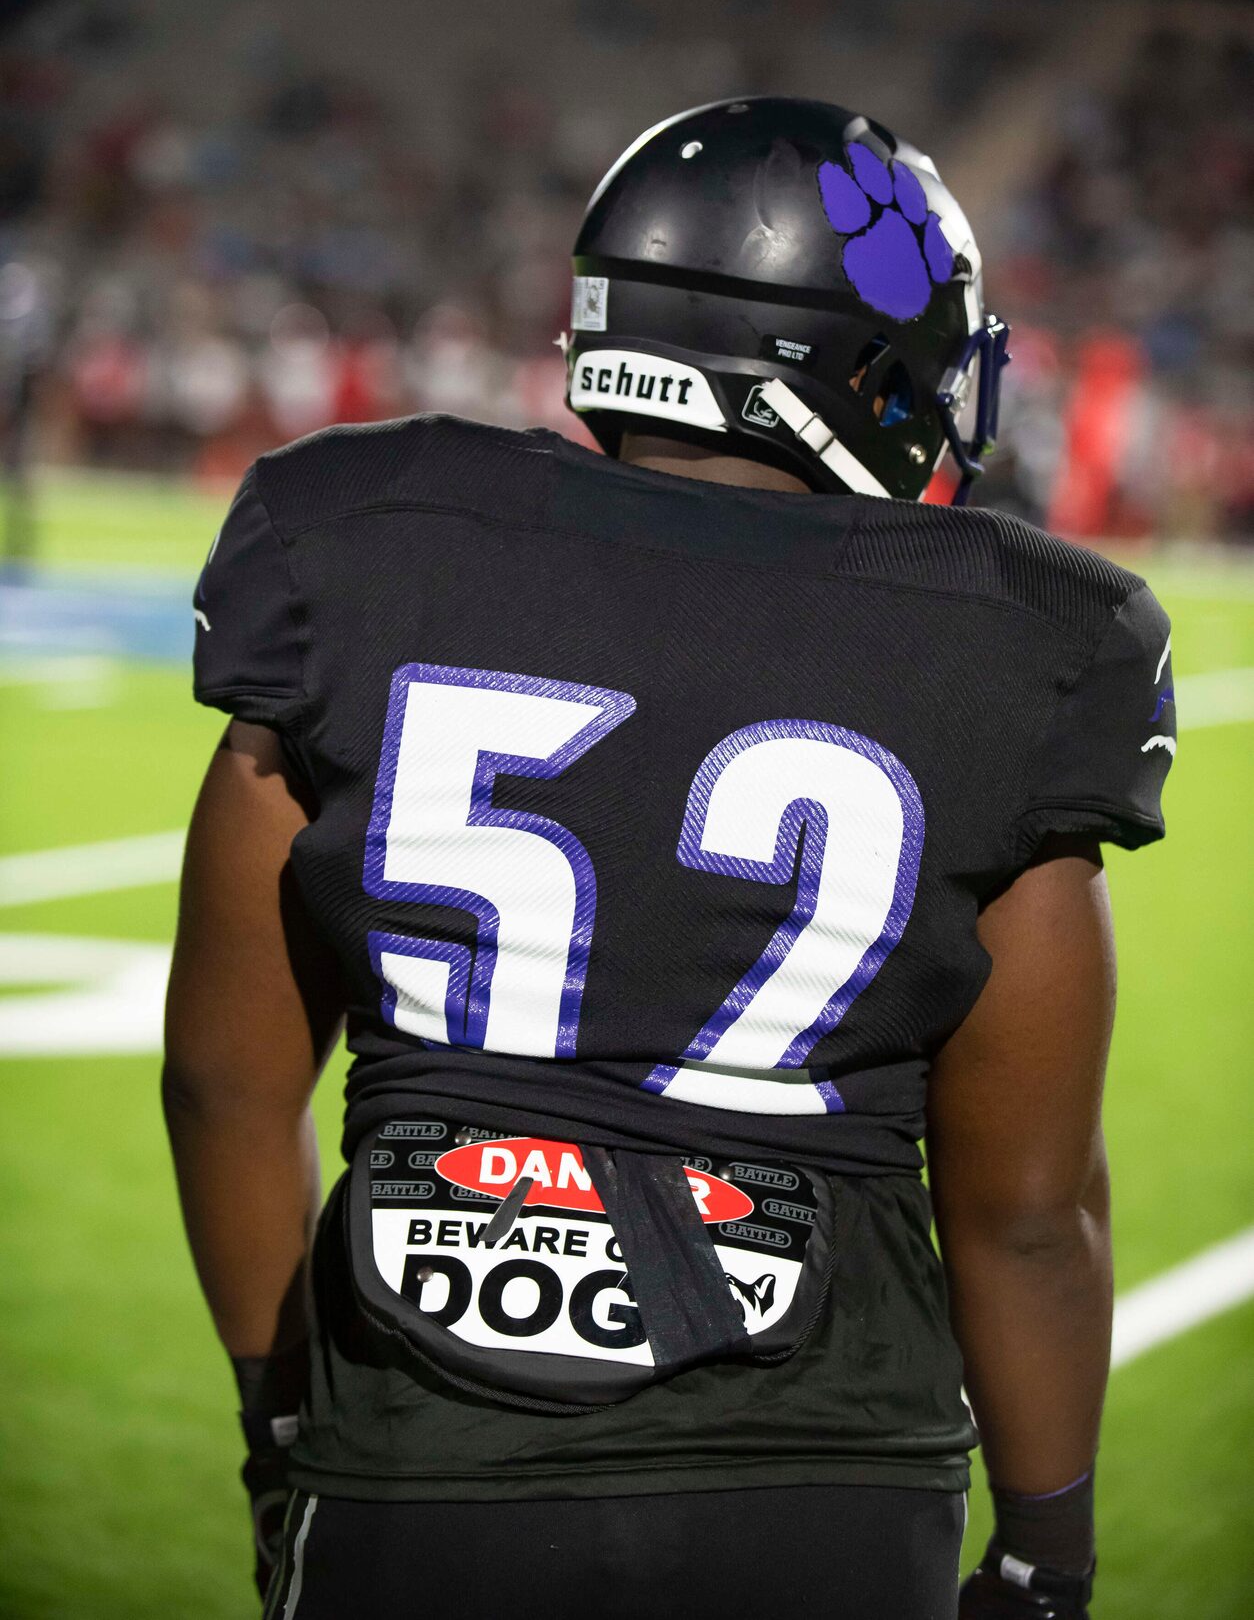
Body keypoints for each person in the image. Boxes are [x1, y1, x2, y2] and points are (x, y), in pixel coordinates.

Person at [163, 97, 1175, 1619]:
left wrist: (282, 1417)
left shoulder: (356, 538)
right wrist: (1045, 1552)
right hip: (821, 1469)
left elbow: (226, 1079)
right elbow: (1030, 1207)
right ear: (859, 357)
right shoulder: (1024, 641)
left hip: (423, 1459)